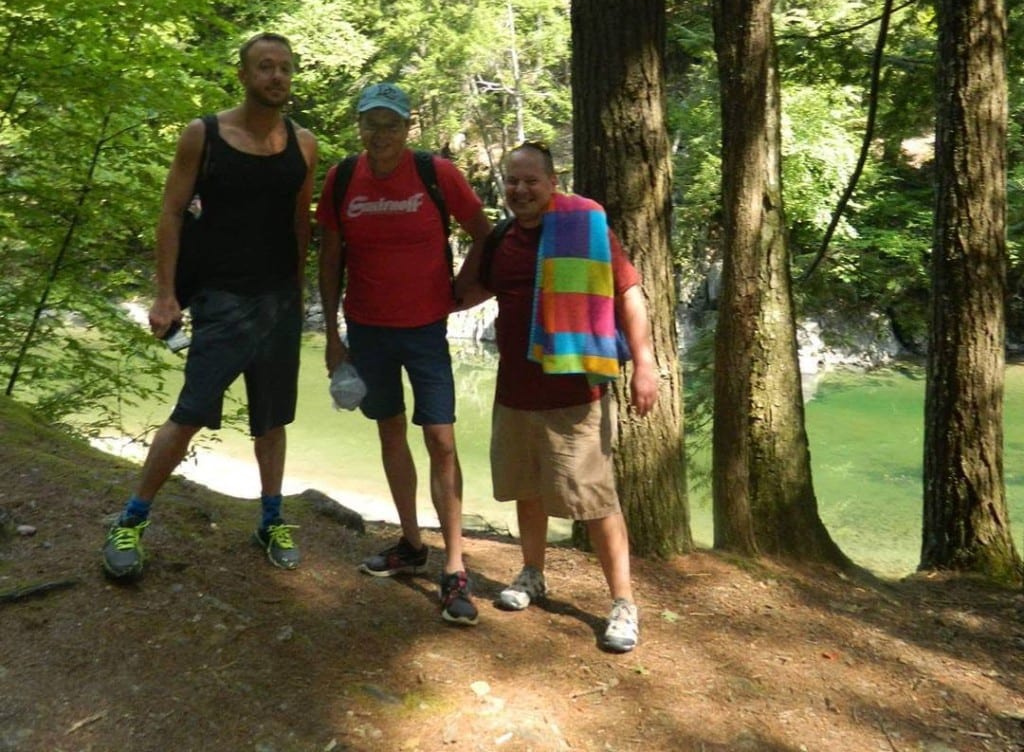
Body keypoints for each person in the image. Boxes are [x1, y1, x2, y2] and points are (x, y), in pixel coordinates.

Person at [102, 32, 318, 579]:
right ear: (243, 75)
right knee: (191, 412)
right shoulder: (205, 135)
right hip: (220, 298)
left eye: (285, 68)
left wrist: (296, 291)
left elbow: (299, 221)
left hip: (278, 303)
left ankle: (271, 519)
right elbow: (172, 213)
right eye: (265, 67)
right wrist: (166, 293)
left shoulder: (302, 143)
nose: (276, 77)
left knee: (271, 420)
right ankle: (130, 520)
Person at [457, 141, 658, 653]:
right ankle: (532, 573)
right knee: (527, 488)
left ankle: (623, 603)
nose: (520, 190)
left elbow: (629, 294)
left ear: (552, 183)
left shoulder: (585, 230)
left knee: (595, 499)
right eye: (512, 181)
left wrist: (646, 365)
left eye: (530, 181)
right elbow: (467, 294)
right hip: (515, 389)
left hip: (576, 392)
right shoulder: (501, 237)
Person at [316, 82, 492, 626]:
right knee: (389, 431)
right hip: (368, 331)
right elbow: (329, 257)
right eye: (372, 123)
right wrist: (332, 334)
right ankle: (412, 544)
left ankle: (455, 567)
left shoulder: (437, 174)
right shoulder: (343, 178)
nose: (381, 134)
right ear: (360, 126)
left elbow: (483, 233)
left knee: (440, 439)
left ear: (407, 127)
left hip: (425, 332)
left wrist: (462, 291)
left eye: (391, 124)